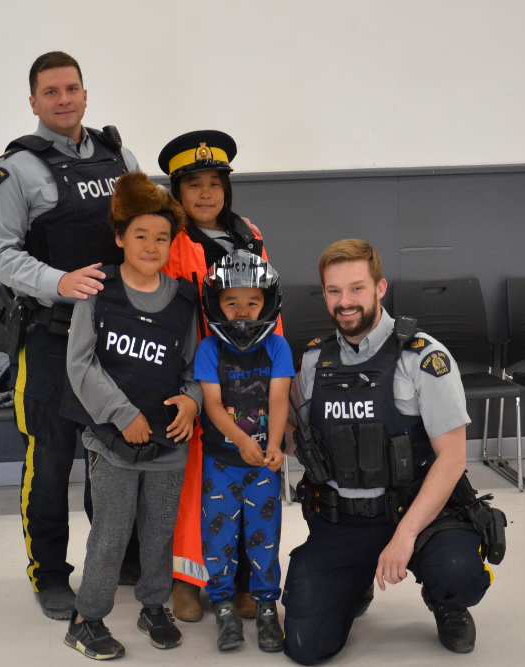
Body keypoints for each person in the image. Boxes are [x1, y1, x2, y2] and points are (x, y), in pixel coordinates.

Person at [0, 51, 140, 619]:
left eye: (72, 88)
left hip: (114, 337)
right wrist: (60, 282)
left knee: (114, 454)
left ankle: (117, 555)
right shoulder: (15, 169)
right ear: (34, 102)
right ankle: (49, 574)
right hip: (49, 335)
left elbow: (149, 228)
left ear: (85, 93)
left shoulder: (120, 156)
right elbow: (0, 256)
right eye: (51, 92)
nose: (64, 99)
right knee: (49, 460)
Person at [283, 240, 493, 665]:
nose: (345, 302)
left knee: (460, 574)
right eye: (334, 291)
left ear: (380, 287)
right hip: (341, 520)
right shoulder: (311, 363)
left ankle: (446, 602)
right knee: (306, 647)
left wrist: (406, 535)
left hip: (417, 512)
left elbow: (452, 458)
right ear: (323, 294)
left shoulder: (423, 357)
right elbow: (293, 440)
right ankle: (355, 580)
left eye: (357, 289)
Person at [61, 172, 201, 658]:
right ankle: (87, 618)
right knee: (112, 534)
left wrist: (191, 401)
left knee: (159, 533)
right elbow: (80, 363)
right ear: (120, 237)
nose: (151, 245)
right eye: (140, 235)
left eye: (161, 237)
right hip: (112, 441)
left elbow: (191, 369)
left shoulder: (185, 301)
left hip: (167, 444)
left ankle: (153, 606)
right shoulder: (99, 289)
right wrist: (122, 414)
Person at [158, 130, 282, 622]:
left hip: (250, 381)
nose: (206, 193)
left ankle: (249, 578)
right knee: (197, 486)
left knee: (252, 483)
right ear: (177, 193)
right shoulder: (170, 240)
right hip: (196, 377)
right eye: (194, 185)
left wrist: (280, 377)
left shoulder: (249, 236)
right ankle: (189, 579)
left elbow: (271, 309)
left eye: (215, 182)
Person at [194, 250, 294, 652]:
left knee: (264, 538)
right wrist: (242, 440)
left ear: (266, 303)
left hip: (262, 466)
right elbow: (213, 407)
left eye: (252, 301)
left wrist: (273, 447)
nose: (242, 310)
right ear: (215, 304)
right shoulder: (208, 349)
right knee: (217, 543)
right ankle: (224, 609)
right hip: (221, 462)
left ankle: (267, 607)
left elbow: (279, 400)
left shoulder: (277, 346)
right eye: (230, 301)